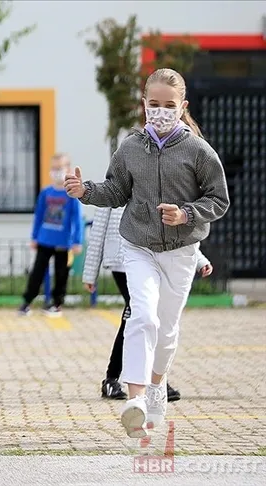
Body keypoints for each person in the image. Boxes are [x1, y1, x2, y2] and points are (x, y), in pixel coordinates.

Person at [65, 68, 229, 438]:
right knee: (143, 316)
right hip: (137, 247)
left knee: (167, 329)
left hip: (182, 250)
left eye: (169, 105)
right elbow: (116, 191)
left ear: (182, 106)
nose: (160, 111)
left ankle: (157, 385)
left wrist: (186, 213)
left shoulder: (197, 150)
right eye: (153, 104)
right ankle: (135, 398)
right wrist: (85, 191)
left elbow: (219, 199)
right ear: (144, 105)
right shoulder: (130, 146)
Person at [83, 206, 214, 401]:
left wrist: (199, 260)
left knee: (151, 318)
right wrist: (90, 272)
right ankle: (114, 379)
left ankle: (154, 379)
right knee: (139, 316)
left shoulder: (153, 179)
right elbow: (99, 229)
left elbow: (169, 227)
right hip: (122, 260)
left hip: (151, 257)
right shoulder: (113, 181)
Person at [19, 154, 83, 317]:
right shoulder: (45, 192)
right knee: (37, 272)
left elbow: (77, 220)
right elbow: (39, 215)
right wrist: (34, 237)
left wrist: (77, 241)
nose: (56, 172)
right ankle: (26, 302)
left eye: (59, 168)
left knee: (62, 274)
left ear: (67, 169)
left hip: (64, 243)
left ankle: (56, 304)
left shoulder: (72, 195)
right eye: (53, 168)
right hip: (44, 240)